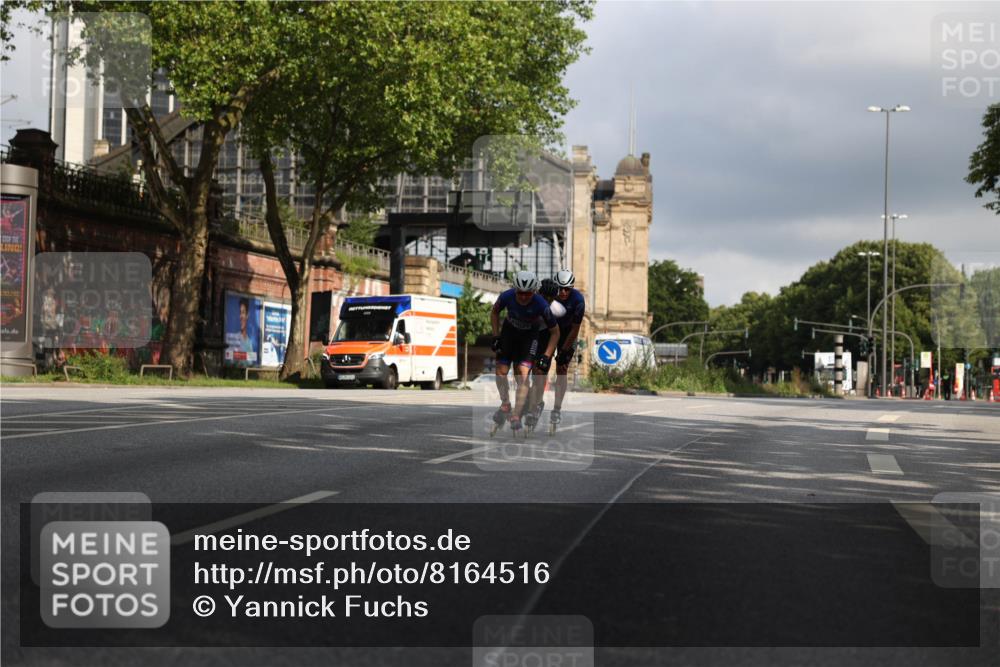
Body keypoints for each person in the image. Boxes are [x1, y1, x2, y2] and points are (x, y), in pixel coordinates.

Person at [490, 271, 559, 434]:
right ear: (515, 290)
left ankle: (521, 412)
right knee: (501, 371)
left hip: (530, 338)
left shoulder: (542, 305)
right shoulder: (506, 296)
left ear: (534, 291)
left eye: (527, 294)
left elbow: (556, 333)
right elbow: (494, 312)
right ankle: (506, 404)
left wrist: (546, 356)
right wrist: (495, 335)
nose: (522, 297)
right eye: (520, 293)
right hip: (509, 333)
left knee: (525, 374)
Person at [524, 278, 567, 430]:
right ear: (538, 293)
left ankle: (536, 405)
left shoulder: (558, 311)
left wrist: (547, 356)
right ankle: (529, 399)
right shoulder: (528, 301)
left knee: (539, 374)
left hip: (546, 338)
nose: (547, 301)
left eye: (550, 299)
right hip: (530, 336)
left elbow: (558, 334)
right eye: (544, 297)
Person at [547, 269, 585, 428]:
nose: (563, 292)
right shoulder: (550, 294)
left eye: (567, 289)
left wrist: (563, 351)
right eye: (560, 288)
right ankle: (534, 403)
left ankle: (556, 409)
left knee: (562, 369)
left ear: (572, 288)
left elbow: (575, 330)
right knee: (541, 366)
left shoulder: (578, 301)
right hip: (550, 332)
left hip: (568, 335)